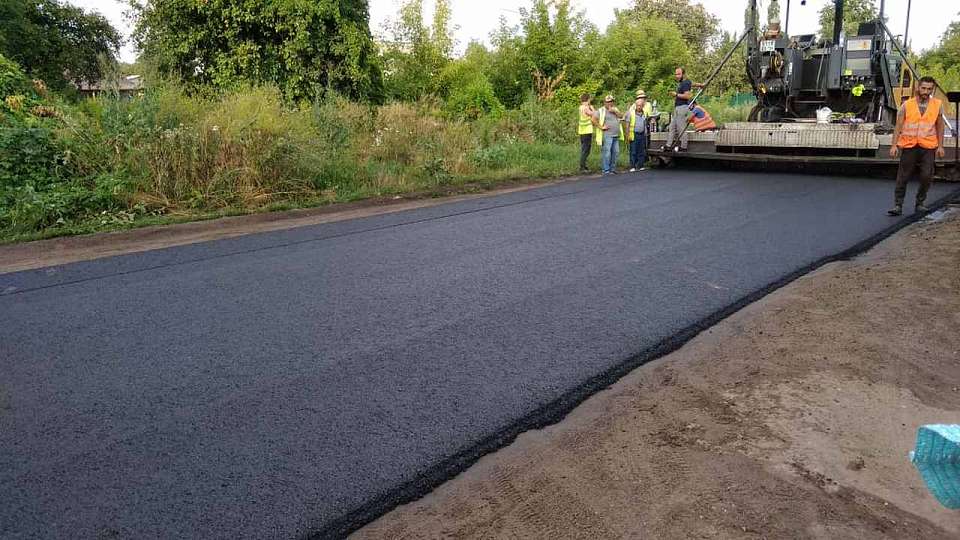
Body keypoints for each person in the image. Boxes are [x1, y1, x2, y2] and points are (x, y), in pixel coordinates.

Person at [887, 76, 946, 216]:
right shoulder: (907, 105)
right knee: (903, 176)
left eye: (929, 89)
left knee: (926, 175)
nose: (926, 91)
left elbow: (940, 127)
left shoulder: (937, 104)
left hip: (928, 146)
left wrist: (941, 146)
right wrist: (894, 145)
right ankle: (898, 205)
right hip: (909, 145)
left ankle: (920, 203)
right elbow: (898, 126)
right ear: (918, 88)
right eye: (924, 88)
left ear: (933, 90)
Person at [664, 67, 694, 152]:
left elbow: (688, 96)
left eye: (678, 74)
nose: (676, 76)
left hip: (682, 108)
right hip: (677, 108)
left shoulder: (685, 83)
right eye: (676, 74)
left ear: (683, 74)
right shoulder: (683, 82)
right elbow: (692, 83)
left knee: (681, 128)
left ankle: (684, 147)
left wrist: (676, 94)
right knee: (672, 127)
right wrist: (700, 85)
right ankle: (668, 145)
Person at [593, 95, 624, 175]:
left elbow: (621, 116)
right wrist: (601, 127)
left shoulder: (615, 109)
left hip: (616, 135)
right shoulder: (601, 110)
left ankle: (612, 169)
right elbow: (593, 119)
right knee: (607, 153)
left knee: (616, 152)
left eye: (611, 101)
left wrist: (615, 112)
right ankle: (606, 170)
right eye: (608, 102)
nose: (610, 103)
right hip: (607, 135)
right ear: (604, 102)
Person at [626, 90, 653, 171]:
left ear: (642, 106)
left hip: (642, 134)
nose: (639, 107)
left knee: (641, 151)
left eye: (640, 106)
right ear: (635, 106)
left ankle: (640, 165)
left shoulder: (644, 113)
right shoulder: (631, 113)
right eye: (638, 106)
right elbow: (627, 124)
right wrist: (627, 135)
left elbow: (647, 121)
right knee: (633, 151)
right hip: (633, 134)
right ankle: (632, 166)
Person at [577, 93, 596, 173]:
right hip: (587, 131)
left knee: (584, 149)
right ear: (588, 99)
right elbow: (594, 114)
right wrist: (592, 108)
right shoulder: (585, 108)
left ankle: (584, 166)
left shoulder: (580, 107)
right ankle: (582, 167)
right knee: (586, 150)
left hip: (582, 131)